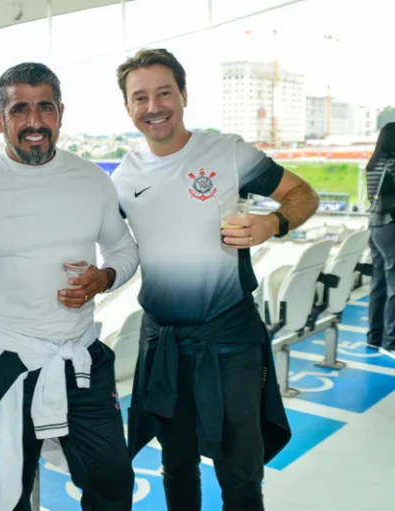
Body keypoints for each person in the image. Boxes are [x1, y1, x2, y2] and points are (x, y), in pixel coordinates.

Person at [111, 48, 320, 511]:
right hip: (163, 343)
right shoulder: (123, 177)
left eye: (164, 93)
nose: (154, 107)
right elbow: (103, 242)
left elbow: (303, 193)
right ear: (127, 107)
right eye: (140, 97)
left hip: (228, 339)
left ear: (183, 95)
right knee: (176, 463)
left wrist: (272, 223)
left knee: (240, 471)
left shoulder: (227, 153)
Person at [0, 62, 139, 511]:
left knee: (114, 485)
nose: (35, 121)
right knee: (7, 497)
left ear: (61, 113)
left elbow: (124, 249)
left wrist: (104, 278)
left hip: (79, 358)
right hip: (5, 364)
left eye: (45, 108)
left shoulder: (91, 179)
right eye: (20, 109)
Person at [364, 122, 395, 354]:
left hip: (374, 225)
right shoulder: (392, 164)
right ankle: (391, 342)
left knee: (379, 282)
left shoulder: (373, 164)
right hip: (390, 224)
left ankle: (374, 337)